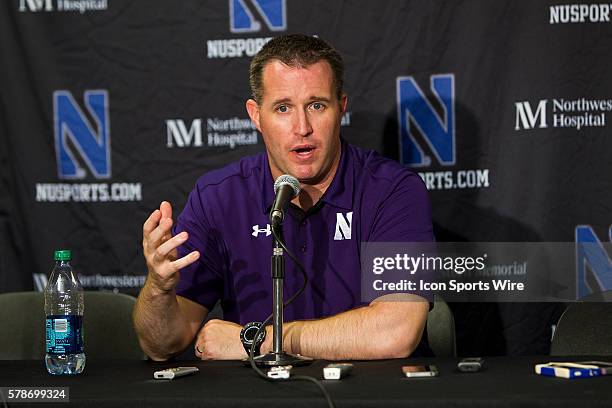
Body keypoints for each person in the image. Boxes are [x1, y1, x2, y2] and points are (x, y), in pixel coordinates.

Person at [133, 34, 434, 361]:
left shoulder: (392, 190)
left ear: (341, 108)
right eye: (283, 108)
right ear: (256, 115)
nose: (302, 127)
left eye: (317, 105)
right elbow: (160, 344)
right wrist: (159, 290)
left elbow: (396, 332)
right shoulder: (218, 197)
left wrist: (258, 341)